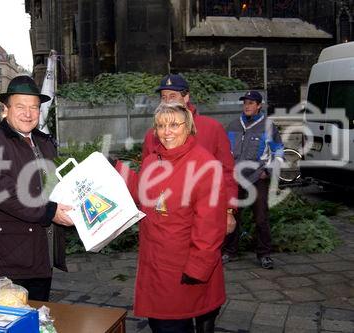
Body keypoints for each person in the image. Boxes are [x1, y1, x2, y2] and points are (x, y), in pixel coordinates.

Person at [116, 102, 226, 333]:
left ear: (189, 127)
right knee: (160, 322)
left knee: (172, 324)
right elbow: (143, 193)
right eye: (160, 126)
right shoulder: (152, 160)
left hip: (183, 268)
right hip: (154, 262)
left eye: (174, 125)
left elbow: (211, 225)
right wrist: (116, 171)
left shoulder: (205, 165)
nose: (167, 132)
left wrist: (198, 268)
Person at [0, 75, 74, 301]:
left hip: (40, 254)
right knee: (8, 320)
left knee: (36, 316)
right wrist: (50, 211)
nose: (28, 114)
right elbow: (3, 192)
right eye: (20, 107)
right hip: (8, 257)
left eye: (34, 107)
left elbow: (54, 185)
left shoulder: (44, 142)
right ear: (6, 109)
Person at [142, 74, 238, 235]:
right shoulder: (153, 135)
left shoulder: (212, 128)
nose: (167, 101)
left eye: (173, 96)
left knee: (203, 254)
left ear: (186, 97)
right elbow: (147, 177)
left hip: (204, 212)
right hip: (165, 218)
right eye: (163, 97)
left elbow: (226, 171)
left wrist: (228, 210)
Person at [222, 91, 284, 269]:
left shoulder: (268, 126)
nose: (247, 106)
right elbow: (224, 151)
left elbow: (279, 150)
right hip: (235, 178)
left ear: (259, 106)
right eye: (245, 103)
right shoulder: (233, 125)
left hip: (258, 178)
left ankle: (264, 254)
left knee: (261, 218)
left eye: (251, 103)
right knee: (231, 215)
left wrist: (268, 170)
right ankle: (230, 251)